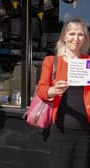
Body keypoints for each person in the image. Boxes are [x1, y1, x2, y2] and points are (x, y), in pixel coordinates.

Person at [36, 18, 90, 168]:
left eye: (81, 34)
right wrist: (53, 90)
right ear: (64, 37)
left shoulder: (89, 62)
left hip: (86, 131)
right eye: (72, 33)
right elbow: (41, 90)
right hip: (61, 129)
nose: (76, 38)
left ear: (85, 38)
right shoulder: (52, 61)